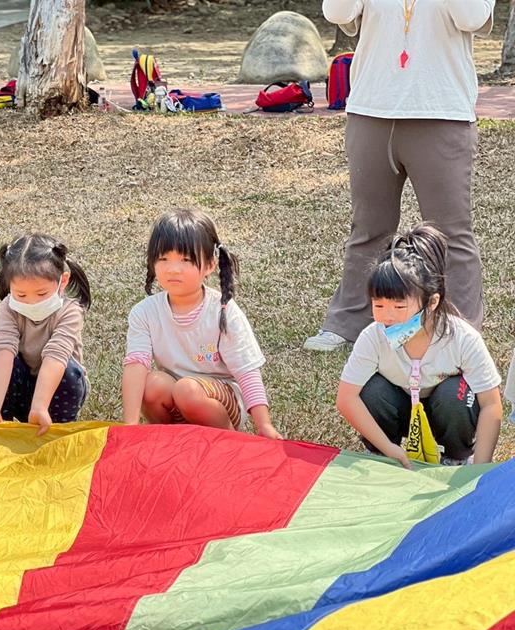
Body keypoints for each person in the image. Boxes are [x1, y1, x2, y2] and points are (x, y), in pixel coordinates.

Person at [305, 0, 495, 352]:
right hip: (371, 109)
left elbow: (472, 17)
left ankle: (461, 329)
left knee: (450, 232)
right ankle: (347, 323)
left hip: (442, 112)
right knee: (368, 228)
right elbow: (337, 13)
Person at [336, 224, 501, 467]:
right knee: (371, 390)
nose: (387, 317)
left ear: (432, 302)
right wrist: (388, 448)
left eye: (399, 307)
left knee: (454, 394)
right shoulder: (373, 337)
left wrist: (480, 470)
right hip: (400, 408)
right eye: (378, 305)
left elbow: (491, 404)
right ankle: (381, 456)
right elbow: (346, 398)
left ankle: (456, 458)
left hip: (444, 413)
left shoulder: (462, 338)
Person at [122, 209, 280, 439]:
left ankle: (227, 441)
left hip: (218, 397)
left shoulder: (223, 310)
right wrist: (130, 426)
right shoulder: (144, 312)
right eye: (163, 259)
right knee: (151, 384)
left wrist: (264, 424)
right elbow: (136, 365)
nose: (173, 269)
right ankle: (172, 440)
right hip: (176, 395)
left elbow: (246, 369)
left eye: (185, 260)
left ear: (210, 265)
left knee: (187, 390)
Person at [0, 234, 91, 435]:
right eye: (21, 294)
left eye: (41, 294)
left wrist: (39, 406)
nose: (31, 302)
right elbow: (3, 352)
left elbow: (56, 356)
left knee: (69, 371)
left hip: (57, 390)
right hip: (22, 389)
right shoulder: (8, 308)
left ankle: (57, 430)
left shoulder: (70, 311)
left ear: (63, 281)